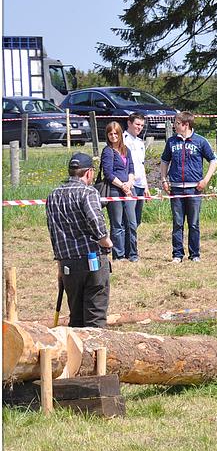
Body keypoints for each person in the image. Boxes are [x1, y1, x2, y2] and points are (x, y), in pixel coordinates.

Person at [46, 152, 114, 327]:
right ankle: (96, 353)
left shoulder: (53, 195)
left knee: (76, 318)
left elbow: (53, 231)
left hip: (68, 263)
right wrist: (105, 240)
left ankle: (75, 353)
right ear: (89, 173)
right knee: (95, 316)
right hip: (92, 260)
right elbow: (95, 219)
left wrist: (60, 264)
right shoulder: (88, 192)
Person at [159, 111, 217, 263]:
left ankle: (195, 254)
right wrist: (164, 180)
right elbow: (164, 161)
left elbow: (213, 160)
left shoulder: (200, 141)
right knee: (177, 223)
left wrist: (205, 179)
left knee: (194, 223)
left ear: (186, 125)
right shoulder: (171, 142)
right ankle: (177, 254)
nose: (174, 126)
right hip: (176, 188)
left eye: (177, 123)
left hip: (194, 189)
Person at [101, 122, 137, 261]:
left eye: (116, 133)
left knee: (132, 224)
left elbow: (131, 169)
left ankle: (132, 254)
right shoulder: (107, 151)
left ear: (120, 134)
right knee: (117, 224)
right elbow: (108, 174)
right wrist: (122, 186)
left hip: (128, 190)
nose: (113, 136)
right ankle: (119, 255)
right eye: (111, 134)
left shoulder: (126, 150)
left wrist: (129, 183)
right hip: (115, 191)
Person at [123, 112, 151, 261]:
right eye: (137, 124)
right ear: (129, 123)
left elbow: (141, 165)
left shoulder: (140, 143)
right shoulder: (122, 140)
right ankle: (132, 253)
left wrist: (146, 186)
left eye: (141, 125)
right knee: (130, 222)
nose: (139, 127)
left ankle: (127, 250)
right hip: (130, 185)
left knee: (136, 221)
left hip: (140, 185)